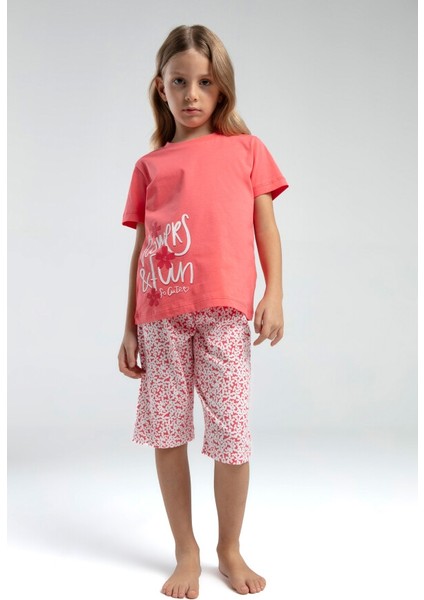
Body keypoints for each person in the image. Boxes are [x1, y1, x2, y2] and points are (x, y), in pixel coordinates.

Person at [118, 24, 289, 599]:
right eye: (179, 82)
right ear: (160, 87)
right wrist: (128, 326)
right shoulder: (150, 166)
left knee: (231, 434)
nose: (192, 94)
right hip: (160, 316)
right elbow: (142, 249)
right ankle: (185, 550)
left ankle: (228, 549)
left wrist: (274, 293)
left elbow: (266, 226)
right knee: (169, 433)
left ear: (222, 89)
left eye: (206, 83)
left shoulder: (247, 150)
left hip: (223, 312)